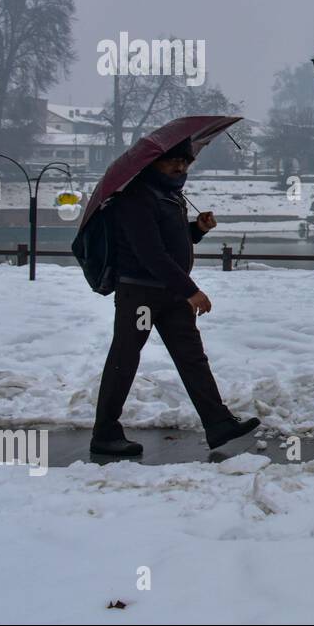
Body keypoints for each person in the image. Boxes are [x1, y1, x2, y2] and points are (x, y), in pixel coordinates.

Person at [90, 138, 260, 456]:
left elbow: (171, 240)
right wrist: (191, 291)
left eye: (185, 162)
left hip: (169, 294)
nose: (180, 167)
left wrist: (197, 229)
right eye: (172, 161)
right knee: (124, 359)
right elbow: (150, 253)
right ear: (153, 162)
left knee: (192, 358)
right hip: (139, 294)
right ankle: (105, 432)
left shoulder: (170, 194)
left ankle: (218, 423)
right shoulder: (136, 197)